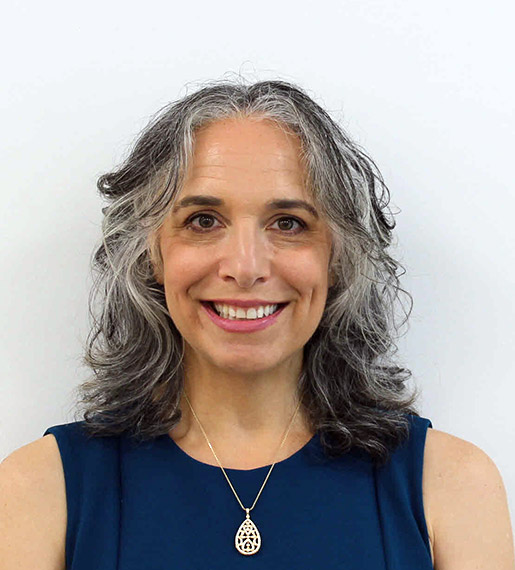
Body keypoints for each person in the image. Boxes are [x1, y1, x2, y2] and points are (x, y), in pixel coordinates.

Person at [1, 78, 513, 569]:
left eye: (288, 223)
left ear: (338, 258)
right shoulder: (37, 490)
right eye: (203, 221)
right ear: (150, 254)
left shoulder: (451, 486)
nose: (245, 267)